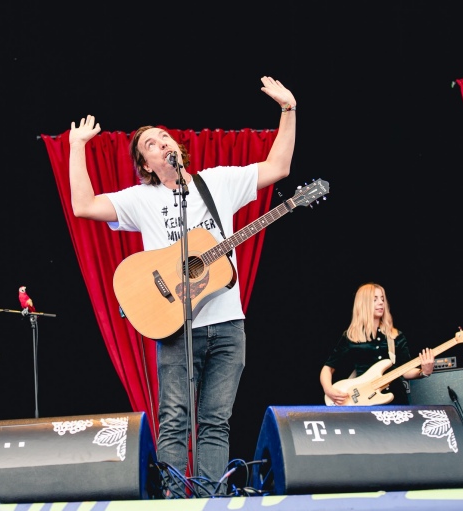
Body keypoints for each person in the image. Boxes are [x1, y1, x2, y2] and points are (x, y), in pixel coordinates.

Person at [68, 76, 296, 496]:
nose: (162, 143)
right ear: (145, 164)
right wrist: (76, 147)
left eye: (164, 138)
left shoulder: (217, 183)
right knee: (174, 417)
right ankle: (174, 500)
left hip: (228, 324)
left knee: (215, 420)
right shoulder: (141, 199)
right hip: (174, 324)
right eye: (151, 144)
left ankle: (209, 499)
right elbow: (83, 206)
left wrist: (288, 110)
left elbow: (278, 168)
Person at [320, 282, 434, 406]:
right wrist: (328, 389)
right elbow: (328, 368)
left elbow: (405, 371)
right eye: (375, 299)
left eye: (382, 299)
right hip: (363, 401)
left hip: (395, 400)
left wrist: (423, 372)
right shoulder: (351, 336)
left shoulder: (394, 336)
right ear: (363, 304)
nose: (381, 303)